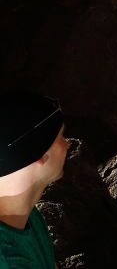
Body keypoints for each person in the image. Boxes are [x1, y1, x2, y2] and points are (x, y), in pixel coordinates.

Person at [0, 93, 69, 268]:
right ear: (38, 154)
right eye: (61, 136)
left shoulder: (28, 216)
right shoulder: (7, 260)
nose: (67, 144)